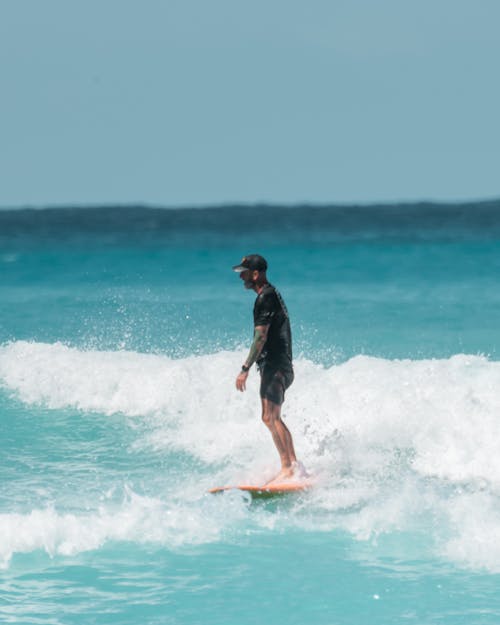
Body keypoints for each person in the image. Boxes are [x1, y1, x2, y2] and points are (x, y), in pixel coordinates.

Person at [233, 254, 305, 484]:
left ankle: (290, 467)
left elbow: (260, 336)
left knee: (271, 417)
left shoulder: (265, 297)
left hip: (276, 365)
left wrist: (245, 368)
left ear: (256, 274)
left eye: (245, 272)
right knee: (269, 417)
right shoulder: (270, 295)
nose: (242, 276)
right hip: (277, 365)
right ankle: (290, 466)